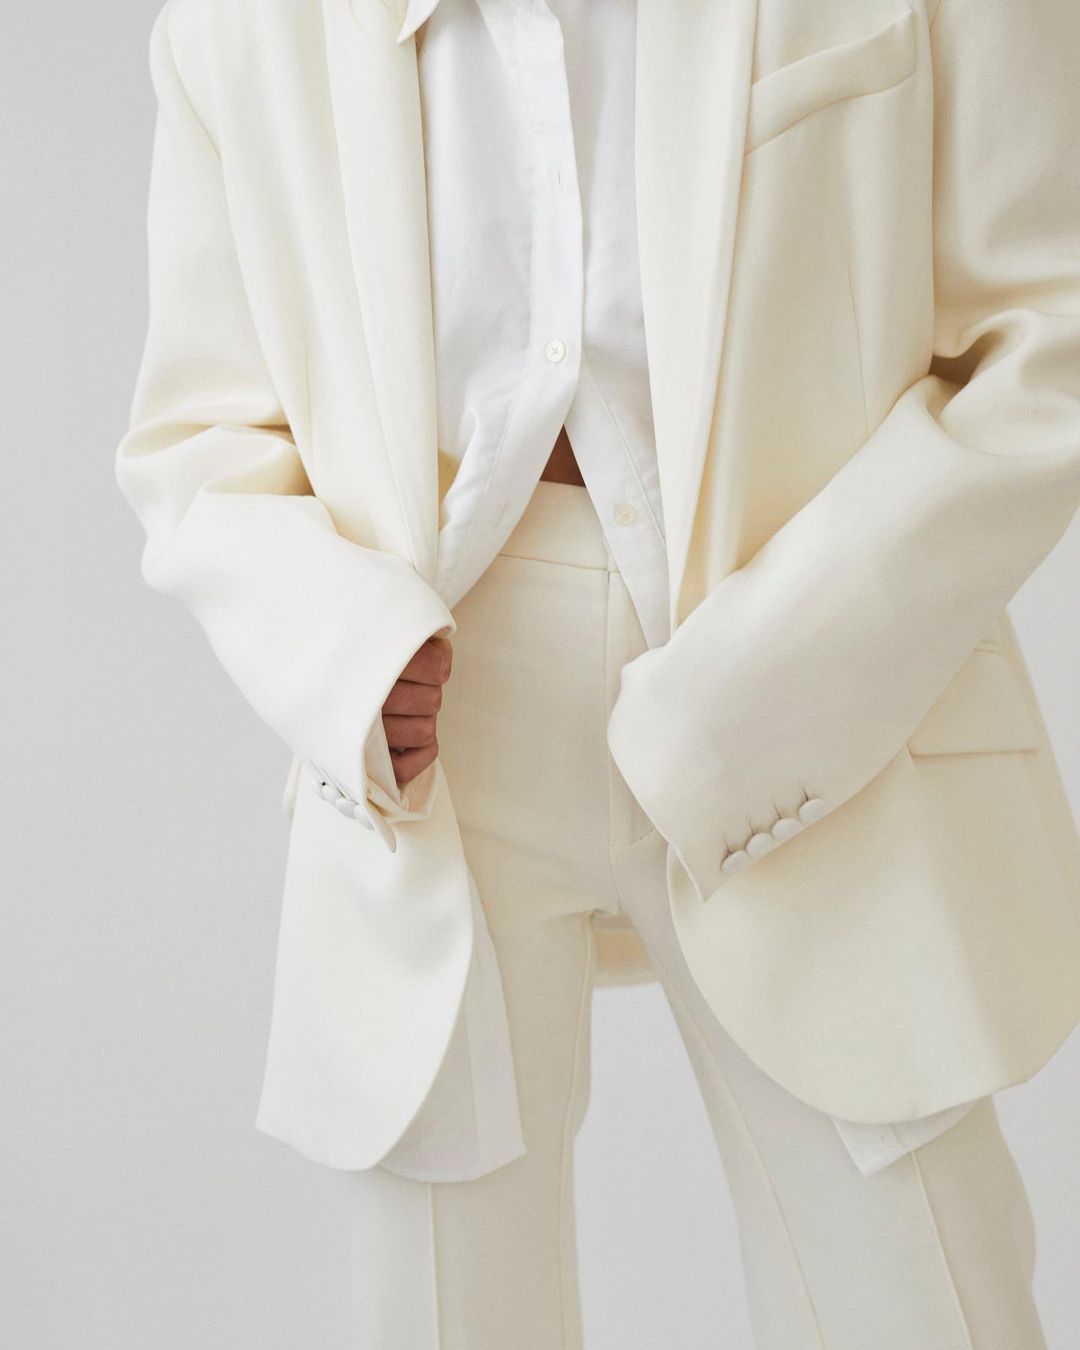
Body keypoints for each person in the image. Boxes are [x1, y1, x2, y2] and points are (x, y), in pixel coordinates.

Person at [116, 0, 1080, 1344]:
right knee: (447, 1314)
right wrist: (340, 655)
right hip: (437, 750)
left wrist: (791, 680)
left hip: (812, 701)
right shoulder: (243, 29)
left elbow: (1047, 341)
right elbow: (197, 435)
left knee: (923, 1300)